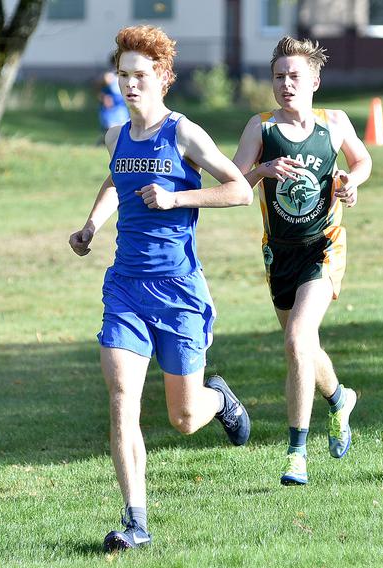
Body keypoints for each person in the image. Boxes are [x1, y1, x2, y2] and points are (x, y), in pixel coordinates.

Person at [69, 25, 253, 552]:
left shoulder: (184, 134)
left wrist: (176, 201)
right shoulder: (116, 136)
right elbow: (115, 179)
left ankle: (217, 399)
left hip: (178, 289)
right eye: (123, 75)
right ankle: (136, 522)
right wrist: (91, 227)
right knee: (122, 397)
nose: (130, 85)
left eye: (140, 76)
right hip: (125, 287)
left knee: (184, 417)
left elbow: (239, 190)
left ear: (163, 78)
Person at [232, 37, 372, 486]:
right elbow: (235, 186)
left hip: (324, 246)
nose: (286, 83)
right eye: (278, 76)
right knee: (304, 347)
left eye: (294, 76)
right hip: (279, 254)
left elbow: (362, 159)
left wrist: (352, 182)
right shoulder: (261, 127)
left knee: (296, 339)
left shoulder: (334, 123)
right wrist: (261, 172)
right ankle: (339, 398)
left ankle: (296, 454)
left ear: (314, 80)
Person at [98, 70, 130, 135]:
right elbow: (101, 92)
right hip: (111, 109)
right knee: (111, 129)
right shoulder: (109, 76)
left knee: (121, 128)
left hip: (120, 108)